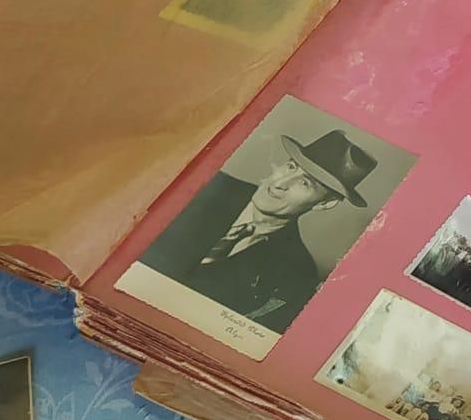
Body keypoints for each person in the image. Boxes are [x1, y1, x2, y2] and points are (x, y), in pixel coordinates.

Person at [142, 127, 376, 334]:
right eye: (291, 166)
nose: (280, 183)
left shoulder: (295, 274)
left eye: (305, 183)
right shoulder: (202, 185)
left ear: (325, 203)